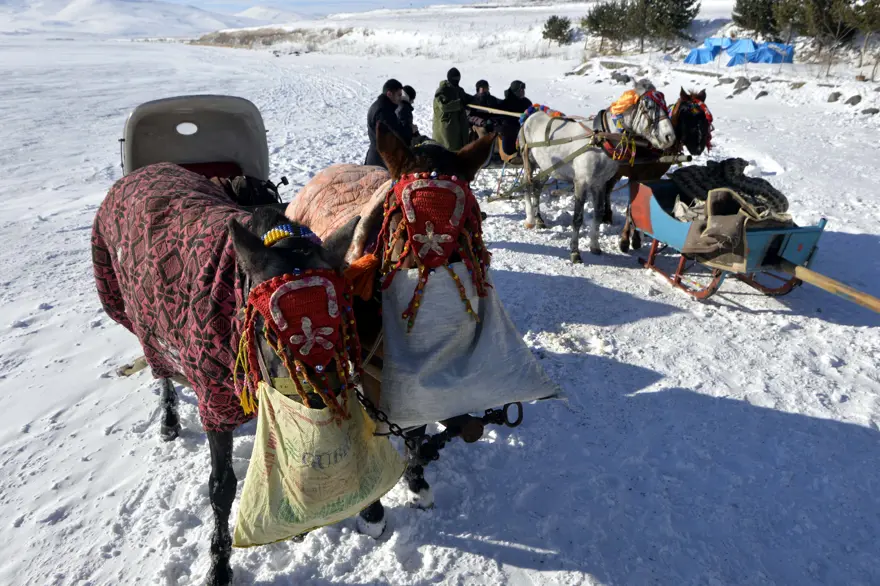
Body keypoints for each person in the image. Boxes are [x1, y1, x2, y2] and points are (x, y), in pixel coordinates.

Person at [365, 78, 413, 168]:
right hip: (380, 161)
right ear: (389, 94)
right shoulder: (383, 111)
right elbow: (397, 135)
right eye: (399, 95)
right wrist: (409, 129)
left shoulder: (383, 106)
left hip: (379, 157)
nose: (400, 98)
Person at [432, 67, 474, 152]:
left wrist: (477, 99)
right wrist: (460, 103)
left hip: (458, 127)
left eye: (458, 79)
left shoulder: (458, 89)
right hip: (446, 129)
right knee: (447, 151)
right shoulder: (442, 90)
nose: (457, 81)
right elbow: (444, 106)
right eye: (455, 79)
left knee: (457, 151)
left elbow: (466, 97)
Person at [496, 80, 532, 156]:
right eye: (521, 90)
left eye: (523, 89)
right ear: (516, 91)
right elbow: (500, 117)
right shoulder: (506, 103)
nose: (523, 91)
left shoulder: (526, 102)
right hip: (510, 130)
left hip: (524, 128)